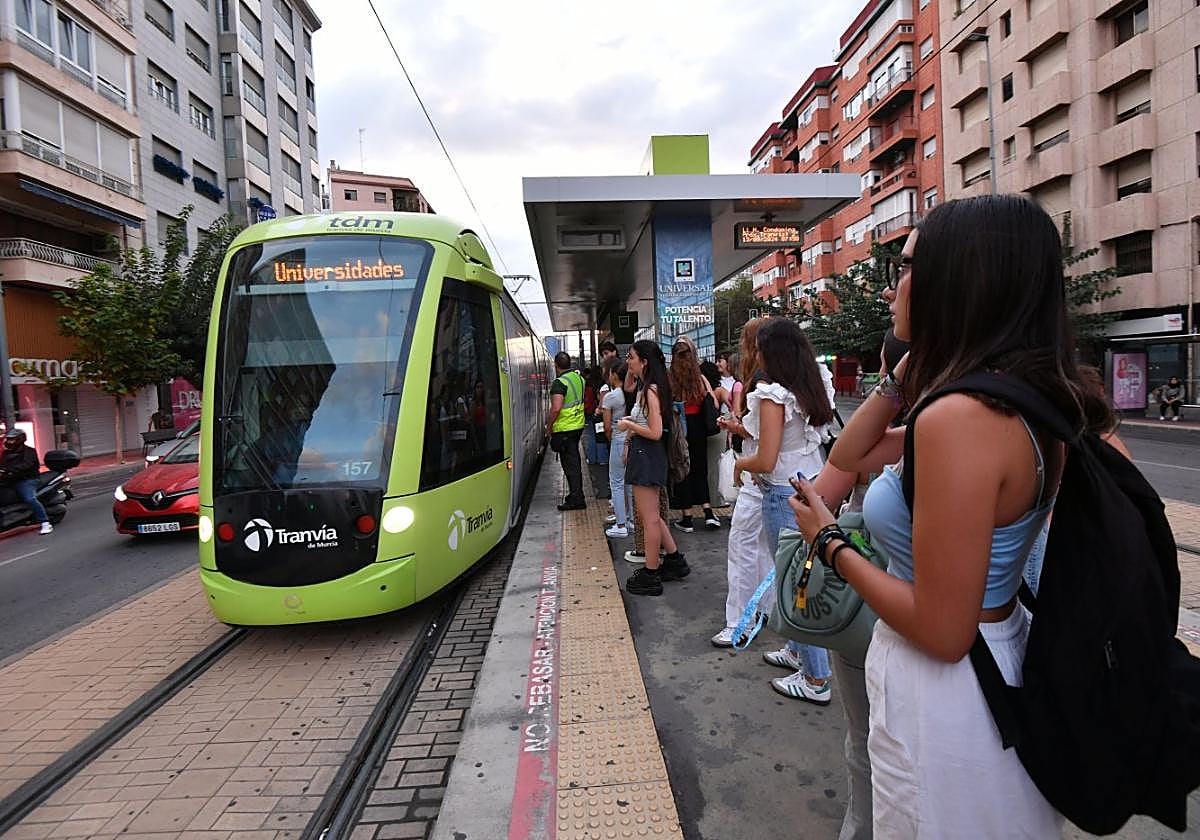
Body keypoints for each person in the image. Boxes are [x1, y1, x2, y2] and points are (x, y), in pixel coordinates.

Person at [788, 195, 1112, 836]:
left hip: (950, 692)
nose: (892, 288)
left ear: (960, 281)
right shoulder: (1013, 399)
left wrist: (828, 542)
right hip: (997, 663)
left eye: (907, 268)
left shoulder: (961, 420)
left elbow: (943, 629)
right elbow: (851, 451)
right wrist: (900, 377)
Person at [733, 318, 835, 705]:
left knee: (795, 583)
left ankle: (816, 677)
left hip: (783, 493)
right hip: (812, 484)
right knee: (799, 576)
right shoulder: (812, 381)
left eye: (759, 347)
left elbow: (766, 457)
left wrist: (741, 466)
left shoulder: (772, 394)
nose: (755, 354)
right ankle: (797, 651)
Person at [712, 318, 771, 647]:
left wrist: (741, 463)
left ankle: (740, 622)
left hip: (760, 479)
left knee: (742, 547)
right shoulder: (787, 377)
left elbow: (764, 437)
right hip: (782, 479)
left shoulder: (763, 384)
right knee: (766, 548)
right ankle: (765, 609)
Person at [619, 340, 688, 596]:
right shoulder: (651, 387)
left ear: (644, 361)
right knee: (654, 516)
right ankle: (674, 559)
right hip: (649, 455)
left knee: (648, 518)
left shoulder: (650, 391)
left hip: (646, 455)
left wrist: (629, 426)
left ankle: (650, 574)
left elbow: (655, 431)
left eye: (632, 357)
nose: (628, 361)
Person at [668, 340, 720, 531]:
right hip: (698, 425)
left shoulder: (670, 377)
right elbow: (713, 403)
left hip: (679, 428)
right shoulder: (699, 377)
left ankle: (687, 517)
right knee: (700, 467)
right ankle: (708, 512)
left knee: (682, 468)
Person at [547, 352, 586, 511]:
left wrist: (549, 426)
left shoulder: (559, 383)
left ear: (556, 365)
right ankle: (576, 495)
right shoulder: (580, 379)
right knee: (574, 462)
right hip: (578, 426)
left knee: (570, 466)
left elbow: (556, 408)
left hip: (564, 429)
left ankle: (576, 499)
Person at [602, 358, 634, 539]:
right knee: (628, 483)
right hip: (632, 437)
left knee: (616, 482)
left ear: (614, 375)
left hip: (618, 439)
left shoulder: (611, 396)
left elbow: (607, 426)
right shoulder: (630, 393)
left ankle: (620, 524)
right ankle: (630, 521)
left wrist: (611, 438)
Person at [0, 429, 51, 534]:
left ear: (20, 440)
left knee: (30, 498)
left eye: (12, 440)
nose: (9, 442)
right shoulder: (6, 453)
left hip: (26, 480)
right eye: (8, 440)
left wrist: (9, 470)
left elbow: (26, 465)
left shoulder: (29, 452)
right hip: (9, 480)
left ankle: (45, 522)